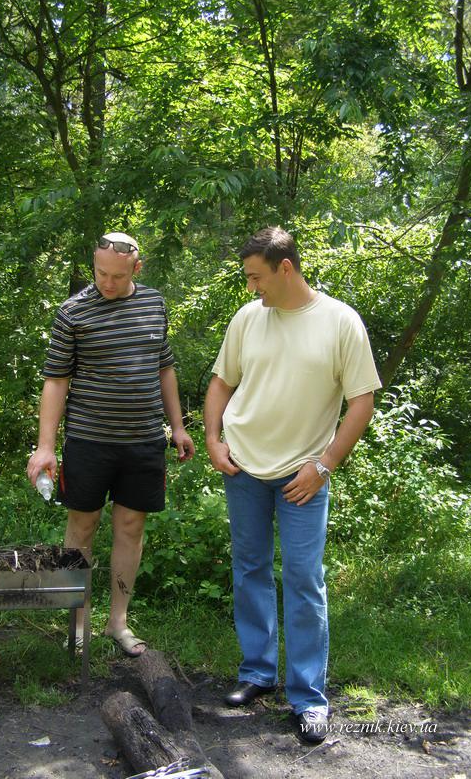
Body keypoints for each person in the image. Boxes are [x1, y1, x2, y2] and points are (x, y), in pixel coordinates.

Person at [204, 227, 381, 742]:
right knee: (250, 568)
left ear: (285, 268)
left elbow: (361, 402)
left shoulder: (340, 321)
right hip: (243, 467)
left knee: (304, 579)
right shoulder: (247, 318)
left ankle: (308, 698)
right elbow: (221, 382)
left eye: (256, 276)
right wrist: (213, 439)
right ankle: (258, 673)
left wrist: (324, 465)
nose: (251, 287)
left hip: (304, 475)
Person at [27, 232, 195, 657]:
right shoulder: (73, 312)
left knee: (131, 527)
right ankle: (77, 621)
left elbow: (164, 367)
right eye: (100, 273)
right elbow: (55, 381)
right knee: (81, 527)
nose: (106, 282)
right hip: (89, 441)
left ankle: (117, 622)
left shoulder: (153, 304)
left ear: (136, 269)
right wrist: (46, 446)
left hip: (143, 441)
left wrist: (177, 427)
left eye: (117, 276)